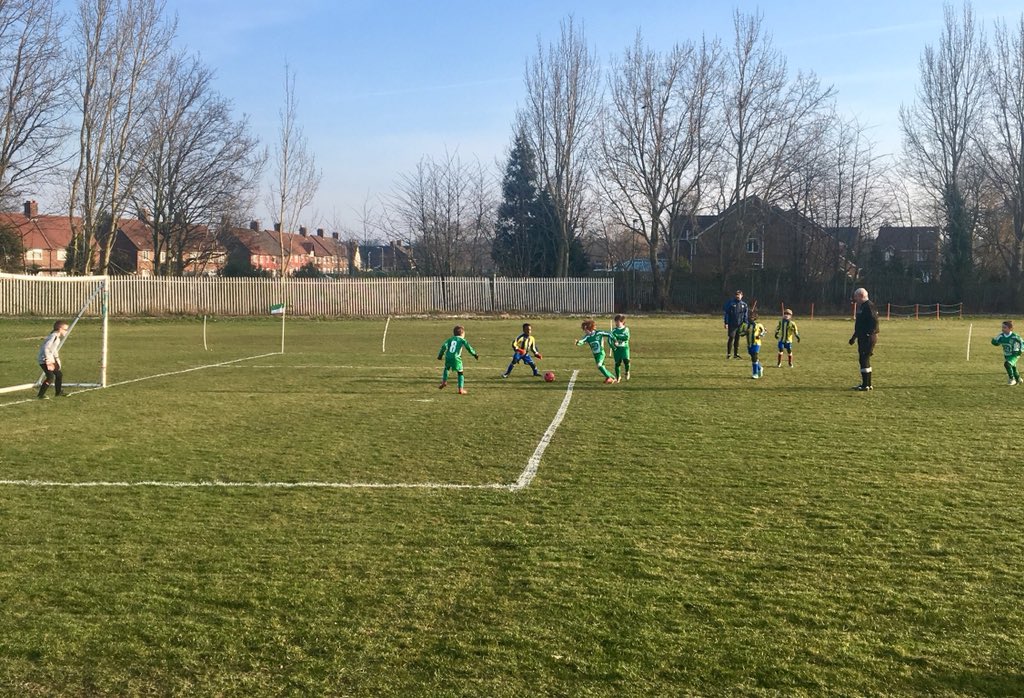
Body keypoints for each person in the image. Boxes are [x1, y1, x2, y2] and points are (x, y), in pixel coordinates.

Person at [849, 287, 879, 391]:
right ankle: (867, 383)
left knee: (864, 359)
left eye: (856, 296)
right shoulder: (862, 306)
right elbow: (860, 325)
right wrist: (854, 337)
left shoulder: (869, 306)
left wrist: (869, 334)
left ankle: (866, 385)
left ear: (861, 296)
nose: (854, 299)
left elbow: (874, 321)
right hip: (863, 337)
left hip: (868, 337)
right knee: (864, 359)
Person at [437, 324, 478, 395]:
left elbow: (444, 346)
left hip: (448, 357)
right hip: (456, 358)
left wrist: (440, 355)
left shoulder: (450, 339)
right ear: (462, 334)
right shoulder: (462, 340)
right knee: (460, 373)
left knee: (446, 368)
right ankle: (460, 390)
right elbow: (468, 347)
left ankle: (444, 382)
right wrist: (474, 354)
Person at [576, 319, 616, 384]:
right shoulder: (587, 337)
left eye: (584, 329)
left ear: (588, 328)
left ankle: (609, 378)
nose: (584, 331)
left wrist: (615, 340)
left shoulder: (598, 333)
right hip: (595, 355)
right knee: (602, 367)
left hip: (601, 353)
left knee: (599, 365)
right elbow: (582, 341)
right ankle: (613, 377)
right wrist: (578, 343)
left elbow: (609, 334)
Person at [37, 320, 69, 399]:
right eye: (65, 329)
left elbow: (54, 350)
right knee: (50, 377)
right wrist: (48, 359)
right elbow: (46, 348)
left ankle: (58, 392)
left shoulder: (57, 338)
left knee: (59, 375)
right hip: (44, 360)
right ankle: (40, 395)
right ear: (60, 329)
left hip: (51, 359)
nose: (66, 331)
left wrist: (57, 360)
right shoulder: (53, 336)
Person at [991, 320, 1023, 385]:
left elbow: (1022, 343)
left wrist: (1020, 350)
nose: (1003, 329)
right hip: (1007, 355)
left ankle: (1012, 379)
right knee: (1013, 367)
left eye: (1005, 327)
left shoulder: (1015, 336)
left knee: (1007, 364)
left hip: (1015, 354)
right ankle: (1018, 379)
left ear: (1010, 328)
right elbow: (996, 342)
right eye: (1002, 327)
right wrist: (994, 341)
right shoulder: (1001, 336)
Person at [738, 310, 766, 379]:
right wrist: (745, 332)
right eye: (749, 317)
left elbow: (764, 332)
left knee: (754, 356)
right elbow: (740, 333)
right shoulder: (745, 325)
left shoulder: (759, 325)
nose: (750, 318)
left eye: (752, 317)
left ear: (755, 318)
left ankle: (755, 373)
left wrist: (760, 335)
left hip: (756, 343)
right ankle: (760, 367)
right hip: (749, 344)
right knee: (753, 357)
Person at [723, 289, 749, 359]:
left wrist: (746, 324)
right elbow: (727, 313)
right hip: (732, 324)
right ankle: (728, 354)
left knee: (737, 339)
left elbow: (745, 315)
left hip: (740, 325)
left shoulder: (744, 305)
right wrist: (726, 323)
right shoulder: (731, 303)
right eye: (737, 295)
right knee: (731, 338)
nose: (738, 296)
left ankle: (736, 354)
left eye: (739, 295)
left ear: (742, 296)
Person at [610, 314, 631, 382]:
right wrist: (613, 347)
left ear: (622, 322)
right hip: (617, 349)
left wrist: (617, 337)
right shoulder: (613, 331)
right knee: (617, 363)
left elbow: (626, 337)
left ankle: (627, 372)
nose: (616, 323)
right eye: (615, 322)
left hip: (624, 348)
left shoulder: (626, 329)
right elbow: (609, 340)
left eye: (618, 322)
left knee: (626, 361)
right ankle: (618, 377)